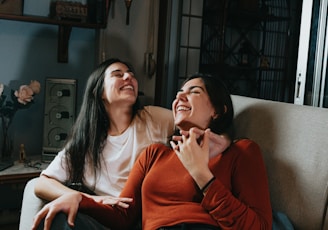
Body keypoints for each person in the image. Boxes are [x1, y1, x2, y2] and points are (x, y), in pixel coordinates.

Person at [32, 73, 272, 230]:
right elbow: (123, 216)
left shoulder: (241, 151)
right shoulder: (155, 154)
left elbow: (259, 226)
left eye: (194, 91)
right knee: (61, 218)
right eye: (179, 92)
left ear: (218, 111)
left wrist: (201, 174)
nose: (180, 96)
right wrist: (79, 199)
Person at [33, 59, 230, 212]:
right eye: (118, 74)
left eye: (131, 74)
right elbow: (42, 184)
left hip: (146, 215)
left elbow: (198, 122)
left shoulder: (153, 118)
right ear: (99, 91)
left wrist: (226, 140)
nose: (128, 78)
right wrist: (87, 199)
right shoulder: (86, 142)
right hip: (106, 214)